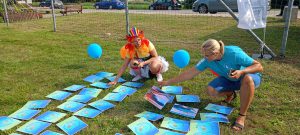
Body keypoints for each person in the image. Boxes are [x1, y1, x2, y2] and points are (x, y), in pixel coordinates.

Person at [158, 39, 263, 131]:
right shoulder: (207, 59)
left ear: (216, 53)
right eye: (203, 55)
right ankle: (230, 94)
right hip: (229, 78)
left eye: (207, 55)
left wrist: (242, 71)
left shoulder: (234, 52)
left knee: (247, 79)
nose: (205, 58)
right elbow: (189, 73)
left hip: (249, 77)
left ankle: (242, 115)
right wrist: (167, 82)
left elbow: (258, 66)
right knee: (211, 90)